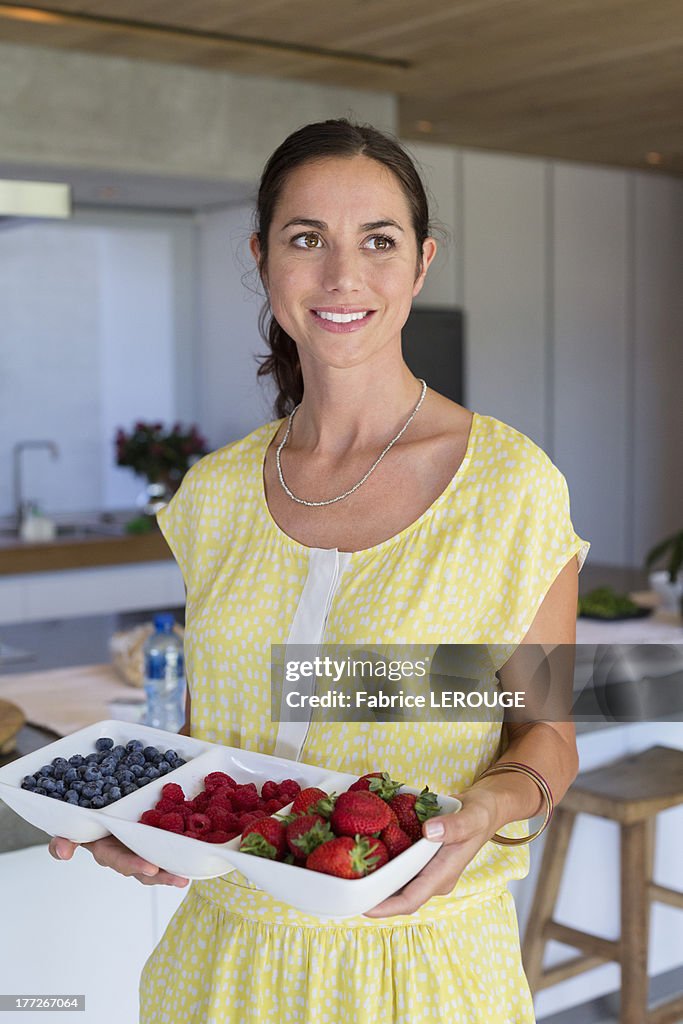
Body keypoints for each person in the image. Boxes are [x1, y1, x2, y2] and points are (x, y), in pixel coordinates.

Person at [49, 118, 589, 1023]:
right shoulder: (215, 493)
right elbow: (205, 736)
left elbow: (549, 736)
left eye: (377, 241)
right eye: (308, 239)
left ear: (420, 263)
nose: (342, 277)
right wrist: (145, 817)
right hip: (219, 971)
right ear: (264, 258)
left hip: (420, 973)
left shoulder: (509, 486)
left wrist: (481, 816)